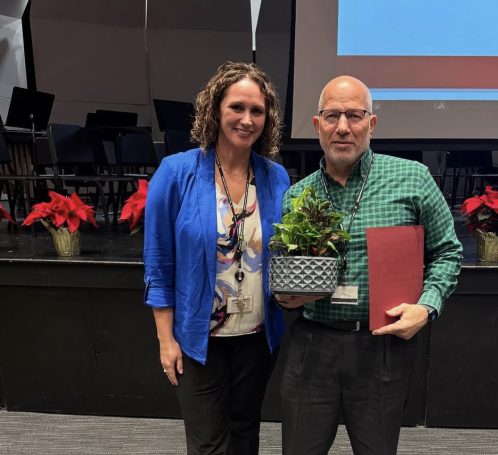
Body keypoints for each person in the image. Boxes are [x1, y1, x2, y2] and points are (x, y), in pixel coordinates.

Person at [275, 75, 463, 455]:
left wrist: (426, 307)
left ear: (372, 124)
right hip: (313, 344)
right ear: (317, 125)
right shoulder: (298, 194)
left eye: (355, 115)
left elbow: (448, 252)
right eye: (332, 116)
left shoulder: (412, 178)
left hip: (381, 348)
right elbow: (284, 266)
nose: (342, 127)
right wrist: (284, 297)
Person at [143, 61, 290, 455]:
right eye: (237, 107)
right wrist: (165, 341)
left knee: (245, 433)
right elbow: (159, 265)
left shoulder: (276, 178)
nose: (247, 119)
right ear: (215, 110)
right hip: (198, 337)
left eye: (257, 111)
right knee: (209, 443)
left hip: (258, 338)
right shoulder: (176, 173)